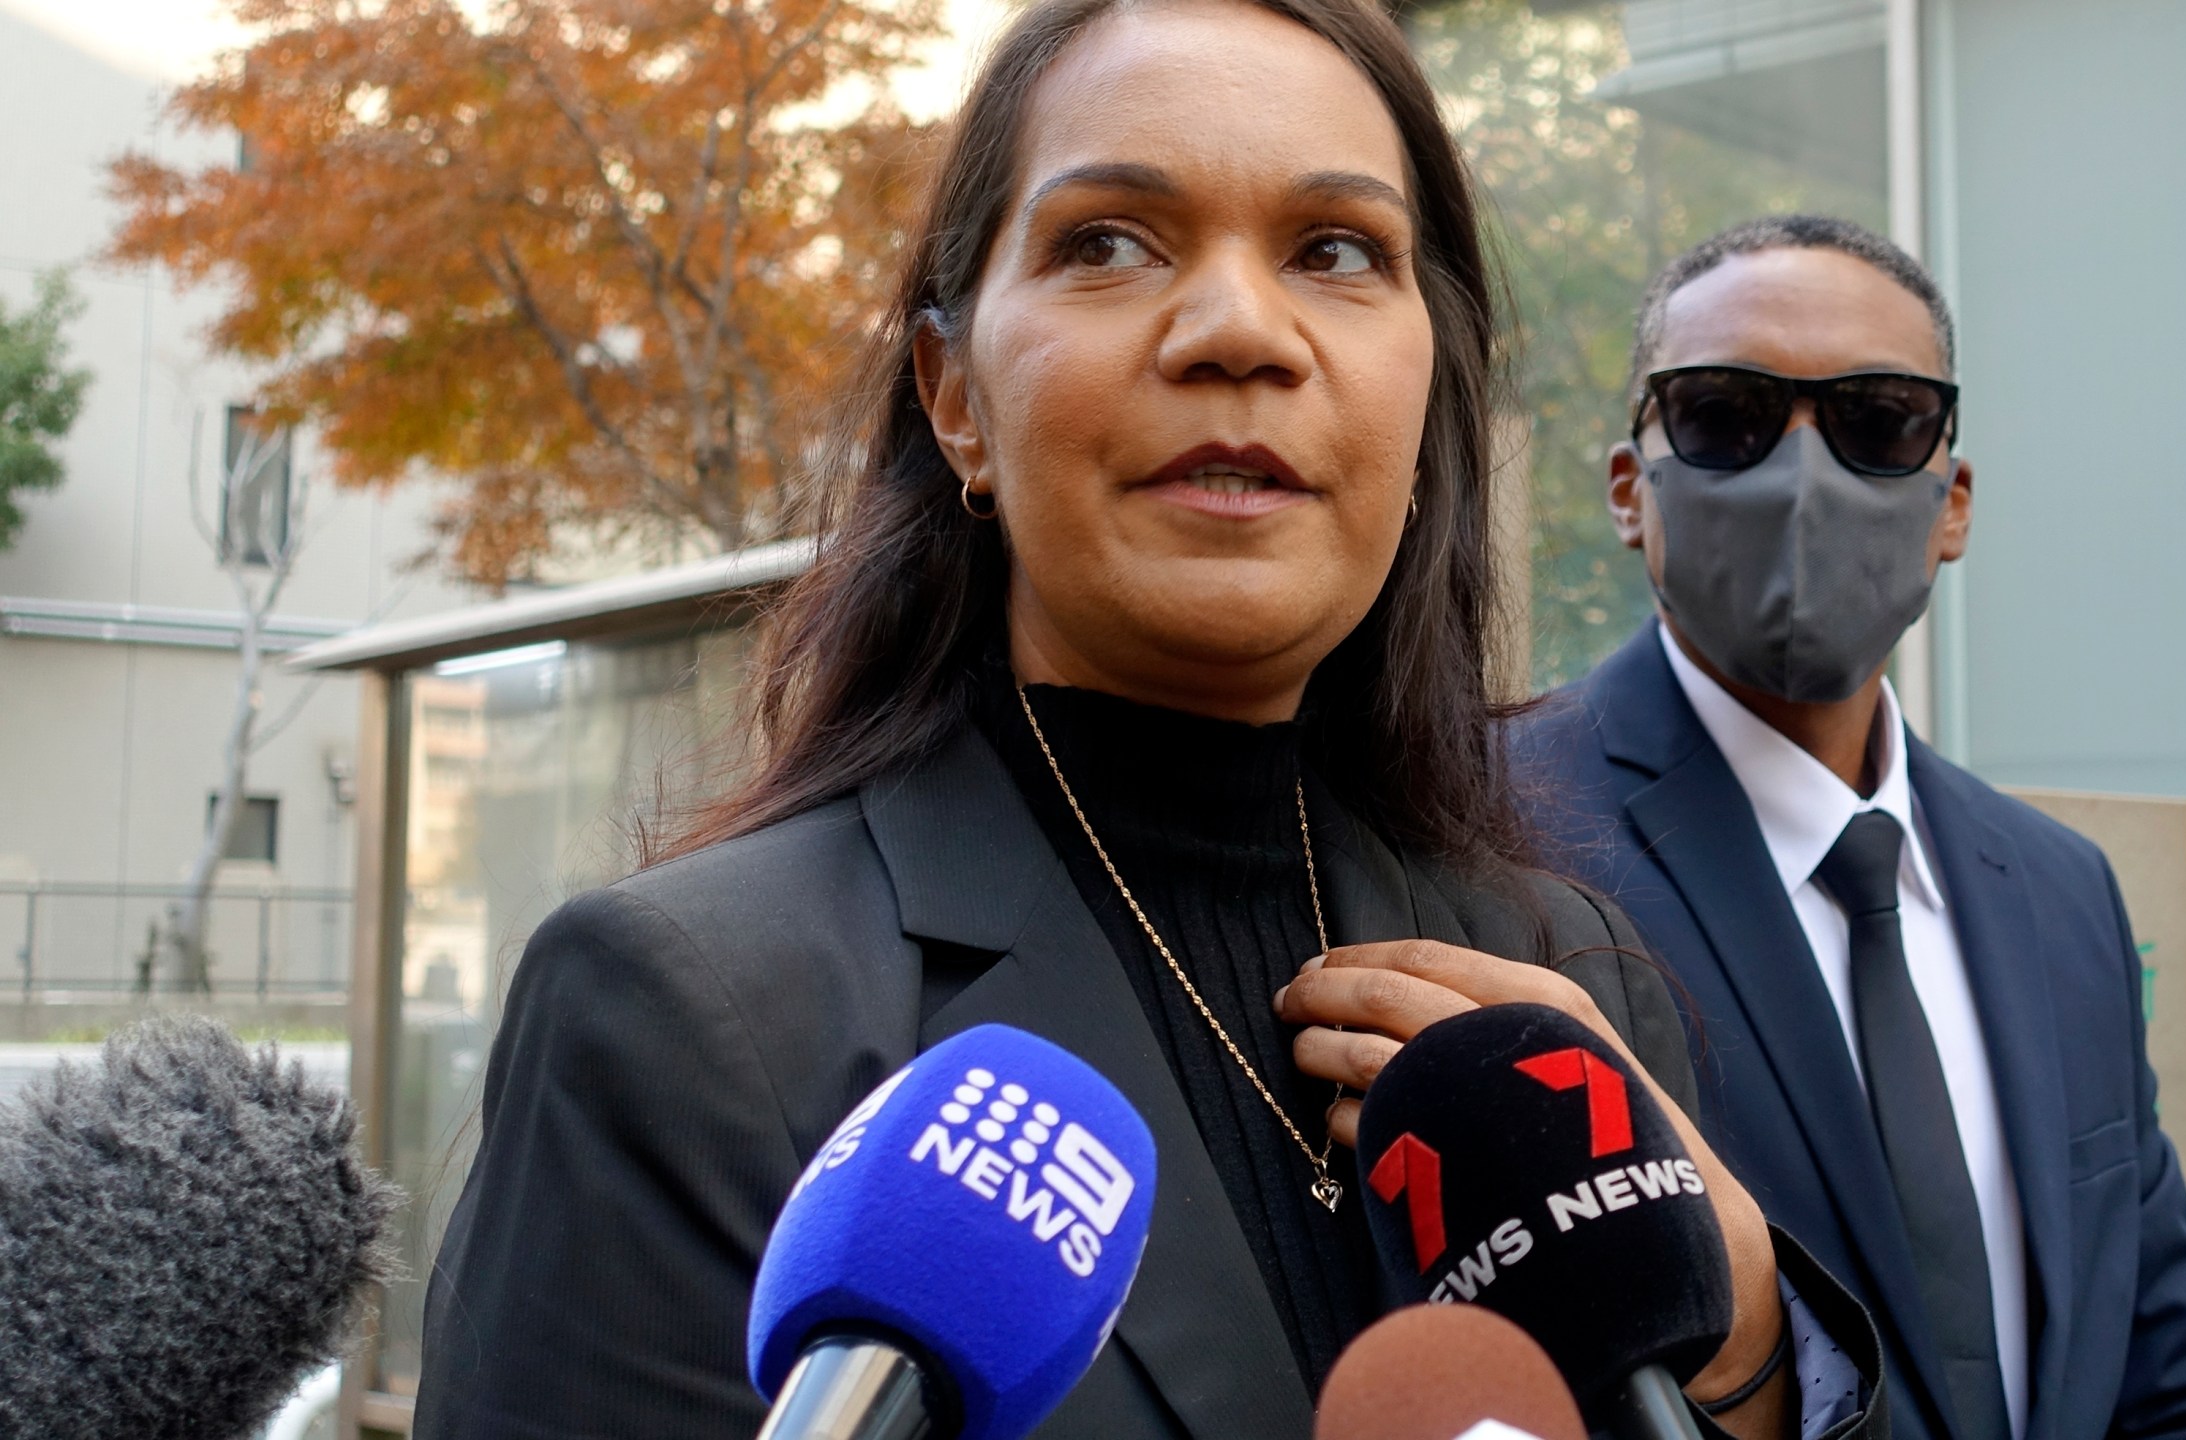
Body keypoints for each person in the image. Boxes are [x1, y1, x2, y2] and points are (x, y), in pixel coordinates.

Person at [412, 10, 1887, 1439]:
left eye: (1335, 251)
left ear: (1426, 394)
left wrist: (1748, 1337)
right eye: (1108, 242)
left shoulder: (1567, 980)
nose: (1242, 330)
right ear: (955, 398)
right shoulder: (686, 1017)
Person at [1512, 214, 2186, 1440]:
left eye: (1878, 422)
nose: (1803, 479)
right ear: (1629, 488)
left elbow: (2174, 1370)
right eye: (1726, 414)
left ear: (1952, 503)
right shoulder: (1486, 836)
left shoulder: (2060, 893)